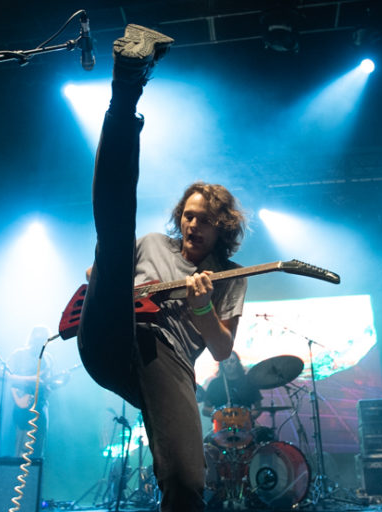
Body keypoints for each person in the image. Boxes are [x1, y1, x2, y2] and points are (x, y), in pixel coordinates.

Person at [76, 24, 248, 512]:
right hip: (108, 335)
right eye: (188, 215)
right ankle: (127, 85)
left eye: (205, 220)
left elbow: (222, 349)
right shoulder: (153, 243)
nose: (193, 224)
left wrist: (201, 307)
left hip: (165, 356)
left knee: (187, 481)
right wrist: (117, 285)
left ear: (221, 228)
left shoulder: (229, 275)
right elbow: (95, 275)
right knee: (114, 233)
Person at [7, 325, 69, 458]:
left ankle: (35, 469)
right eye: (37, 339)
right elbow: (7, 377)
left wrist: (61, 382)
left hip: (41, 405)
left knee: (39, 448)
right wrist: (30, 381)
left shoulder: (48, 358)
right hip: (23, 404)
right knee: (21, 446)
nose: (39, 342)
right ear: (31, 338)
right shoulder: (19, 354)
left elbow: (47, 385)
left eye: (43, 339)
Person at [202, 351, 262, 417]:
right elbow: (206, 409)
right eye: (225, 362)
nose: (229, 364)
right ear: (222, 365)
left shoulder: (248, 382)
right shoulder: (214, 384)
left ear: (238, 363)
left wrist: (249, 417)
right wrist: (218, 415)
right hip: (222, 422)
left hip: (244, 422)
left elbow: (258, 407)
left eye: (232, 361)